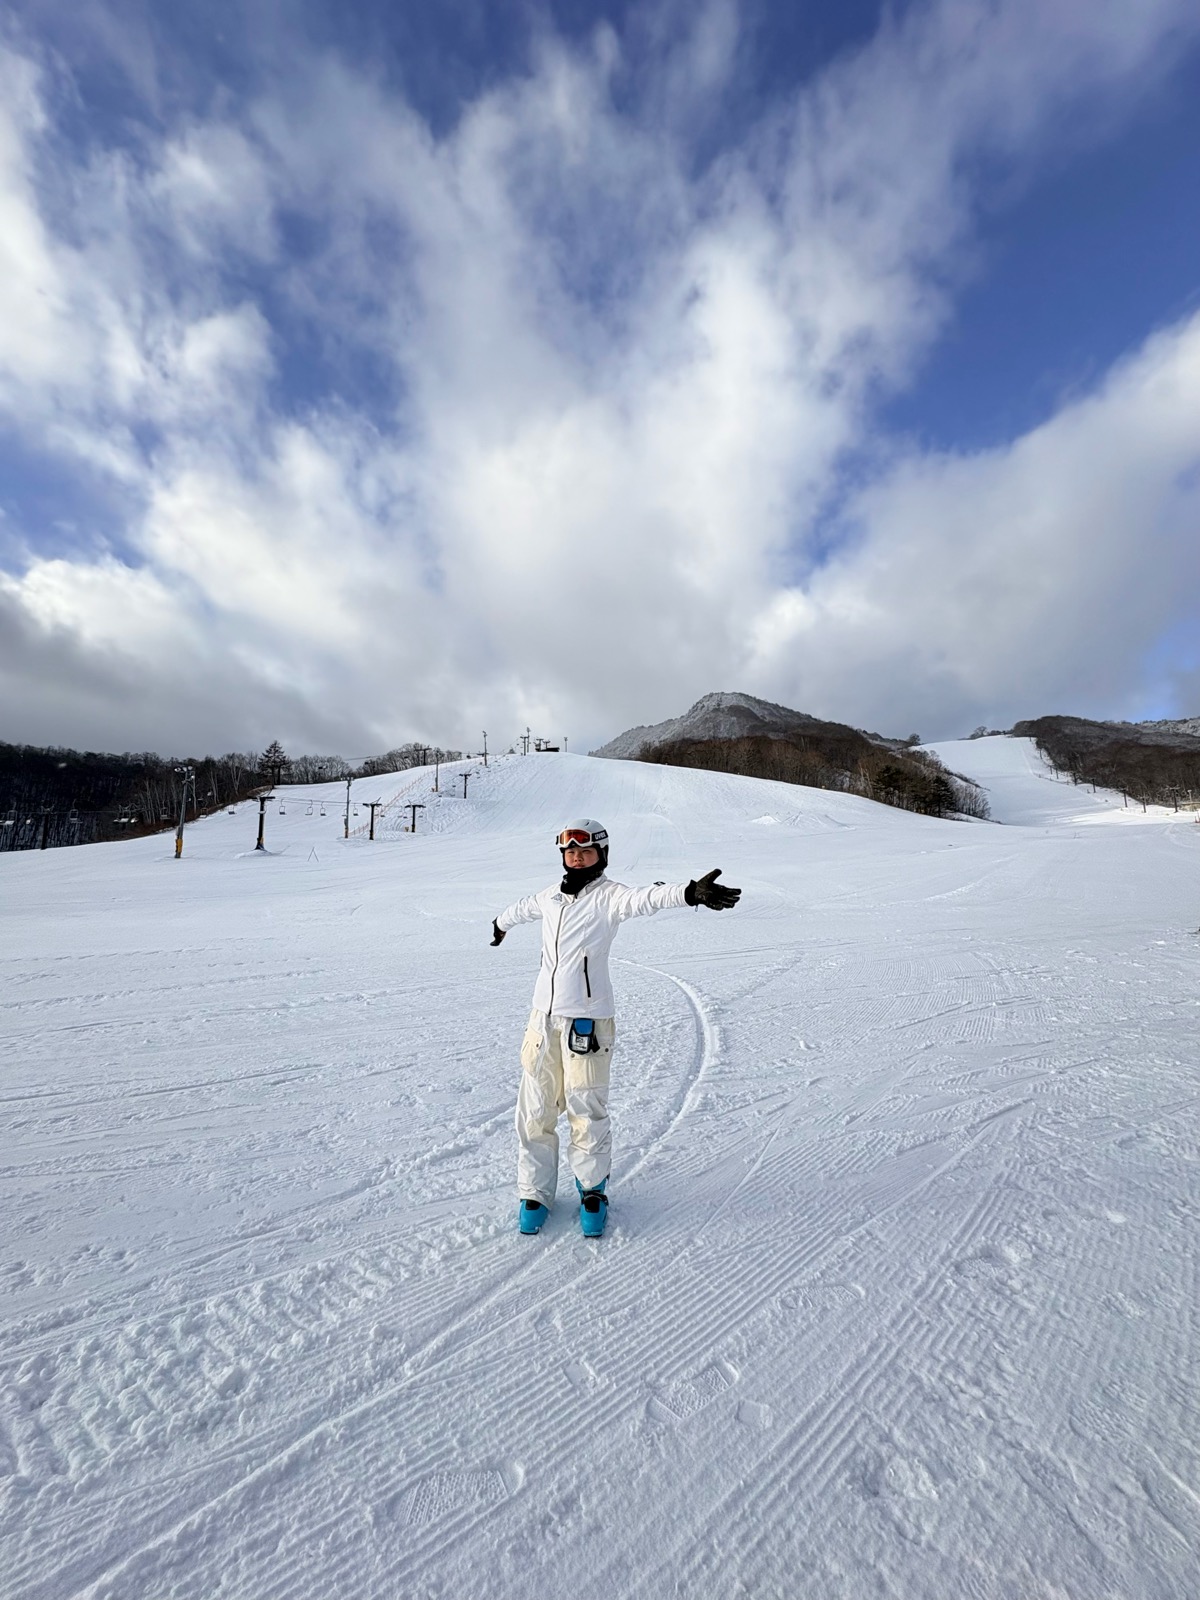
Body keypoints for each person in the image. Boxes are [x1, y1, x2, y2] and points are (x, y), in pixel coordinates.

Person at [490, 819, 741, 1237]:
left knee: (586, 1109)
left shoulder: (610, 897)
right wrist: (499, 924)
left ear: (601, 855)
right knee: (535, 1109)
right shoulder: (551, 897)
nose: (576, 857)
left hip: (588, 1019)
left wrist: (688, 892)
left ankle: (592, 1191)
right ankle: (534, 1192)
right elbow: (520, 909)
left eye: (585, 852)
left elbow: (647, 898)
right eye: (570, 852)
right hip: (542, 1020)